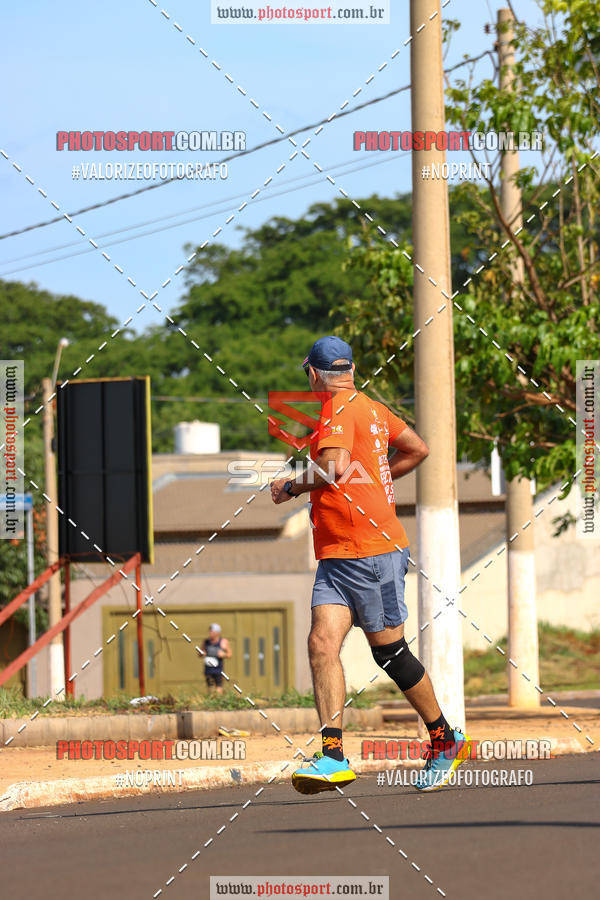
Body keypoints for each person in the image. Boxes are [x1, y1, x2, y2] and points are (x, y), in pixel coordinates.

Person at [270, 335, 470, 794]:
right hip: (337, 553)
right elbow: (416, 448)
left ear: (314, 374)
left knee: (390, 654)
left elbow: (335, 466)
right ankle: (333, 756)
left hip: (370, 552)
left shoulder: (336, 409)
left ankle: (445, 740)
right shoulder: (373, 408)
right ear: (350, 370)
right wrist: (379, 479)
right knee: (322, 643)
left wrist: (293, 487)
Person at [204, 624, 231, 693]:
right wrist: (202, 653)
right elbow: (200, 653)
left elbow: (229, 654)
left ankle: (218, 702)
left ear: (217, 633)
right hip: (208, 670)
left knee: (219, 688)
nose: (210, 633)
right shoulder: (206, 642)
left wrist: (223, 654)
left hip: (218, 670)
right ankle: (212, 702)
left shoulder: (223, 642)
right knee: (210, 689)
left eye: (212, 631)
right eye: (210, 631)